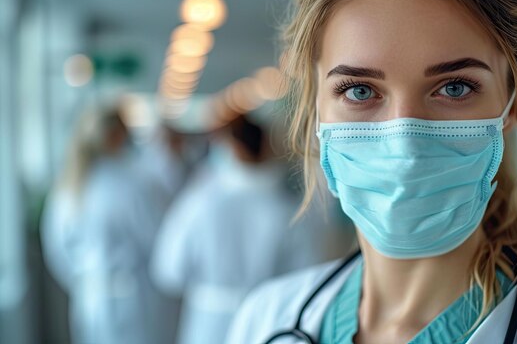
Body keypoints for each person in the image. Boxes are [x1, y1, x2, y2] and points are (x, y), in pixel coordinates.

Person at [225, 0, 517, 343]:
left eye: (454, 88)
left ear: (511, 105)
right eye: (359, 90)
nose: (405, 145)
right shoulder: (261, 320)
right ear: (316, 110)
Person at [151, 115, 352, 344]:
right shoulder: (285, 209)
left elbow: (168, 271)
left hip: (206, 322)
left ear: (233, 148)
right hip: (268, 319)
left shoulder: (199, 202)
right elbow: (305, 272)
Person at [41, 106, 176, 344]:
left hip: (89, 295)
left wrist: (84, 279)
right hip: (131, 296)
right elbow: (156, 241)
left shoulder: (68, 188)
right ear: (117, 136)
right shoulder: (133, 184)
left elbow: (57, 250)